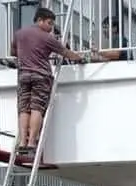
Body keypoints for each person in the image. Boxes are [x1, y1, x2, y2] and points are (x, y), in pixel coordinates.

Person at [11, 7, 92, 157]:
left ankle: (22, 142)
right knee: (37, 108)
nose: (50, 28)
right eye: (49, 23)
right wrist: (81, 59)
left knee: (23, 109)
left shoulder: (19, 34)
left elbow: (13, 52)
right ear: (39, 20)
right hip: (41, 76)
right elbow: (66, 53)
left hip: (23, 76)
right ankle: (31, 143)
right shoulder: (47, 38)